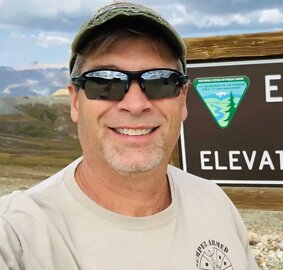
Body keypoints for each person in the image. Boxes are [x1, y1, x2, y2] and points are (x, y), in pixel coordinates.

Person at [0, 2, 258, 269]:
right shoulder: (17, 236)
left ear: (182, 100)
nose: (135, 105)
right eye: (105, 82)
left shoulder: (214, 203)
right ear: (75, 102)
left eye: (161, 81)